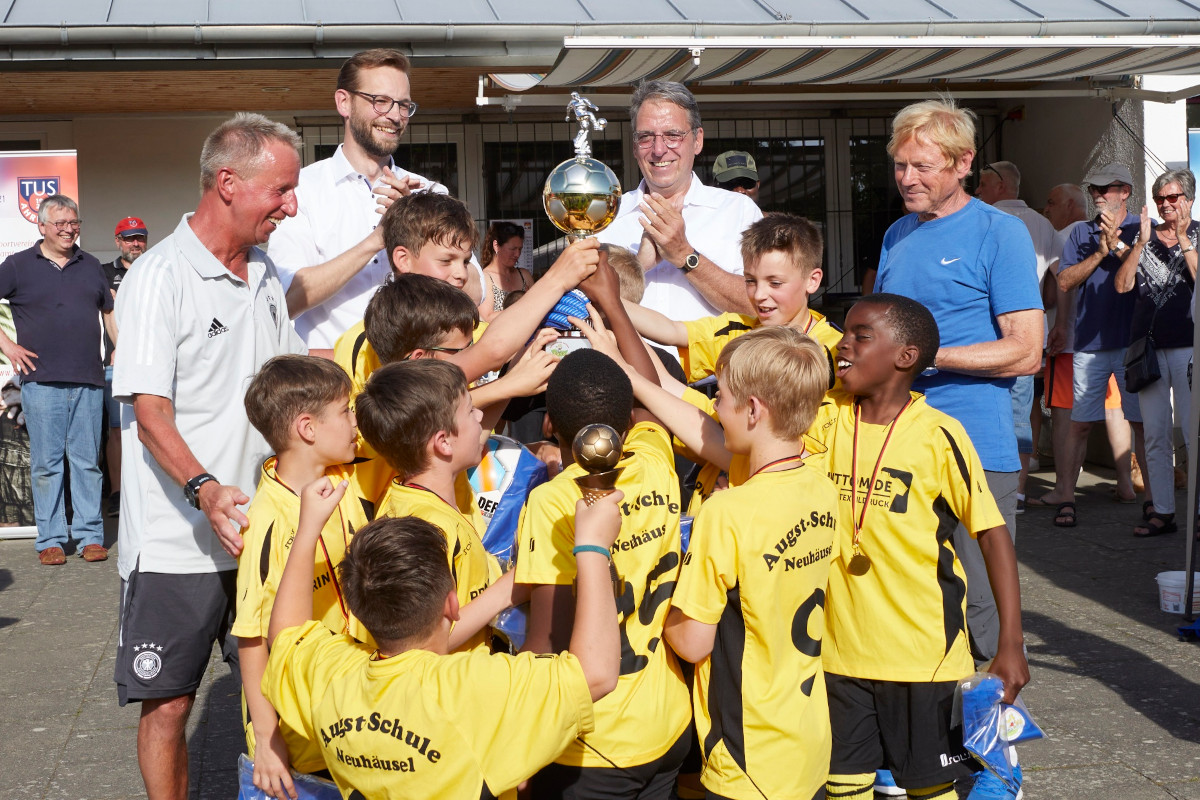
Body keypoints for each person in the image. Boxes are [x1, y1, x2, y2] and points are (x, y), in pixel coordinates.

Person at [111, 112, 306, 800]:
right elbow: (148, 410)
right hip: (178, 544)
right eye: (280, 189)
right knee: (167, 705)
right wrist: (205, 488)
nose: (291, 204)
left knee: (281, 693)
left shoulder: (266, 273)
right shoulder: (159, 278)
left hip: (262, 535)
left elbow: (288, 385)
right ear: (228, 182)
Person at [873, 98, 1040, 800]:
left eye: (922, 166)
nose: (907, 177)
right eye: (900, 165)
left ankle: (994, 764)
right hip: (897, 443)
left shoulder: (997, 234)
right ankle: (922, 757)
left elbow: (1026, 350)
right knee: (911, 605)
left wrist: (929, 356)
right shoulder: (895, 233)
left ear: (963, 163)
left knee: (978, 613)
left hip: (975, 444)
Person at [261, 478, 624, 798]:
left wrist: (308, 529)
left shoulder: (333, 679)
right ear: (453, 603)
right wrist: (593, 548)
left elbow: (285, 636)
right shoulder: (470, 688)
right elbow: (596, 674)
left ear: (358, 610)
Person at [821, 294, 1029, 800]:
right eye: (844, 332)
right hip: (835, 656)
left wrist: (1010, 642)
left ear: (905, 356)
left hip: (922, 659)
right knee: (841, 784)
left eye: (860, 335)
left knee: (929, 787)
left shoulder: (939, 435)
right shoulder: (822, 417)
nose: (842, 344)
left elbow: (992, 532)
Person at [516, 262, 691, 799]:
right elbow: (648, 402)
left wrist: (522, 746)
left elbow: (545, 643)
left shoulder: (552, 502)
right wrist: (613, 308)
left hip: (591, 741)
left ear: (549, 424)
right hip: (665, 720)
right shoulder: (655, 461)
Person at [664, 327, 837, 800]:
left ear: (754, 410)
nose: (715, 410)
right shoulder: (821, 485)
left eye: (719, 397)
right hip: (807, 740)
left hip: (748, 756)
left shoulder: (727, 511)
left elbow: (692, 642)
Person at [233, 355, 369, 799]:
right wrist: (269, 743)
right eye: (347, 411)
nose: (356, 422)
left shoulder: (347, 475)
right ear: (308, 429)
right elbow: (252, 639)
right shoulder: (265, 521)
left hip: (353, 710)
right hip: (299, 736)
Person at [270, 48, 450, 359]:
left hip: (419, 381)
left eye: (404, 105)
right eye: (380, 101)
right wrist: (378, 239)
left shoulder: (431, 192)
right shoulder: (301, 191)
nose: (394, 116)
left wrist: (420, 231)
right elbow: (287, 299)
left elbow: (476, 291)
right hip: (332, 385)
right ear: (344, 102)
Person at [355, 359, 501, 653]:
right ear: (443, 443)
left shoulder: (429, 491)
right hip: (451, 690)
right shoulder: (422, 527)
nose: (480, 415)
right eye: (471, 410)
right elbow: (420, 643)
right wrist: (511, 589)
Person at [0, 194, 115, 565]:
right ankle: (50, 539)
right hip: (41, 380)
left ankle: (89, 536)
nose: (69, 230)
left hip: (88, 379)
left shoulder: (91, 265)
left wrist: (120, 347)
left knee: (86, 462)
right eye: (61, 224)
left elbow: (108, 310)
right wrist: (9, 348)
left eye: (74, 223)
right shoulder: (17, 265)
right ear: (42, 226)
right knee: (47, 463)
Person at [596, 80, 761, 321]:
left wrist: (685, 255)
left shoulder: (739, 212)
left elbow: (761, 306)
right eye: (646, 137)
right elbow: (584, 313)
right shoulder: (607, 217)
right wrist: (638, 266)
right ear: (634, 146)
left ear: (697, 140)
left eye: (673, 135)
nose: (659, 149)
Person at [624, 212, 841, 387]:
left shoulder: (837, 349)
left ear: (812, 281)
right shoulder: (737, 330)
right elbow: (671, 330)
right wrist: (605, 298)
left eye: (775, 283)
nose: (758, 295)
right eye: (750, 281)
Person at [1053, 163, 1146, 528]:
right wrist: (1098, 252)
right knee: (1080, 425)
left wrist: (1118, 244)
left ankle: (1154, 503)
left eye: (1105, 188)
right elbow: (1064, 282)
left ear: (1124, 191)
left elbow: (1147, 273)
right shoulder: (1080, 233)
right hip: (1089, 343)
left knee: (1140, 422)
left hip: (1133, 342)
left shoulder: (1142, 228)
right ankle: (1065, 496)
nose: (1097, 194)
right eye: (1094, 188)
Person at [1115, 169, 1198, 536]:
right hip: (1148, 349)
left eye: (1173, 197)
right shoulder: (1140, 236)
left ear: (1189, 199)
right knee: (1155, 434)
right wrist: (1137, 245)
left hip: (1189, 347)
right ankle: (1163, 512)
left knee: (1195, 433)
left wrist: (1183, 239)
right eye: (1160, 198)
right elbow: (1122, 286)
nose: (1167, 204)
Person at [975, 161, 1061, 512]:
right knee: (1020, 415)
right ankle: (1018, 493)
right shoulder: (1043, 223)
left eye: (982, 183)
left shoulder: (979, 219)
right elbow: (1062, 279)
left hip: (987, 336)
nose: (977, 189)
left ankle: (988, 494)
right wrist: (1051, 318)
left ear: (1000, 185)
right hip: (1028, 332)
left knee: (985, 413)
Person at [102, 215, 148, 519]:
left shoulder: (156, 267)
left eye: (140, 237)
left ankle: (145, 493)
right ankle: (118, 493)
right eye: (129, 238)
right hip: (114, 365)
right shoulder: (104, 273)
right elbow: (105, 311)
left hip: (149, 361)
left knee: (150, 425)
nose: (135, 243)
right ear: (118, 242)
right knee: (117, 431)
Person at [478, 220, 530, 321]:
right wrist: (522, 308)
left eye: (520, 249)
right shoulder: (485, 278)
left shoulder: (524, 275)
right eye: (513, 249)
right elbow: (487, 317)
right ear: (496, 246)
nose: (517, 254)